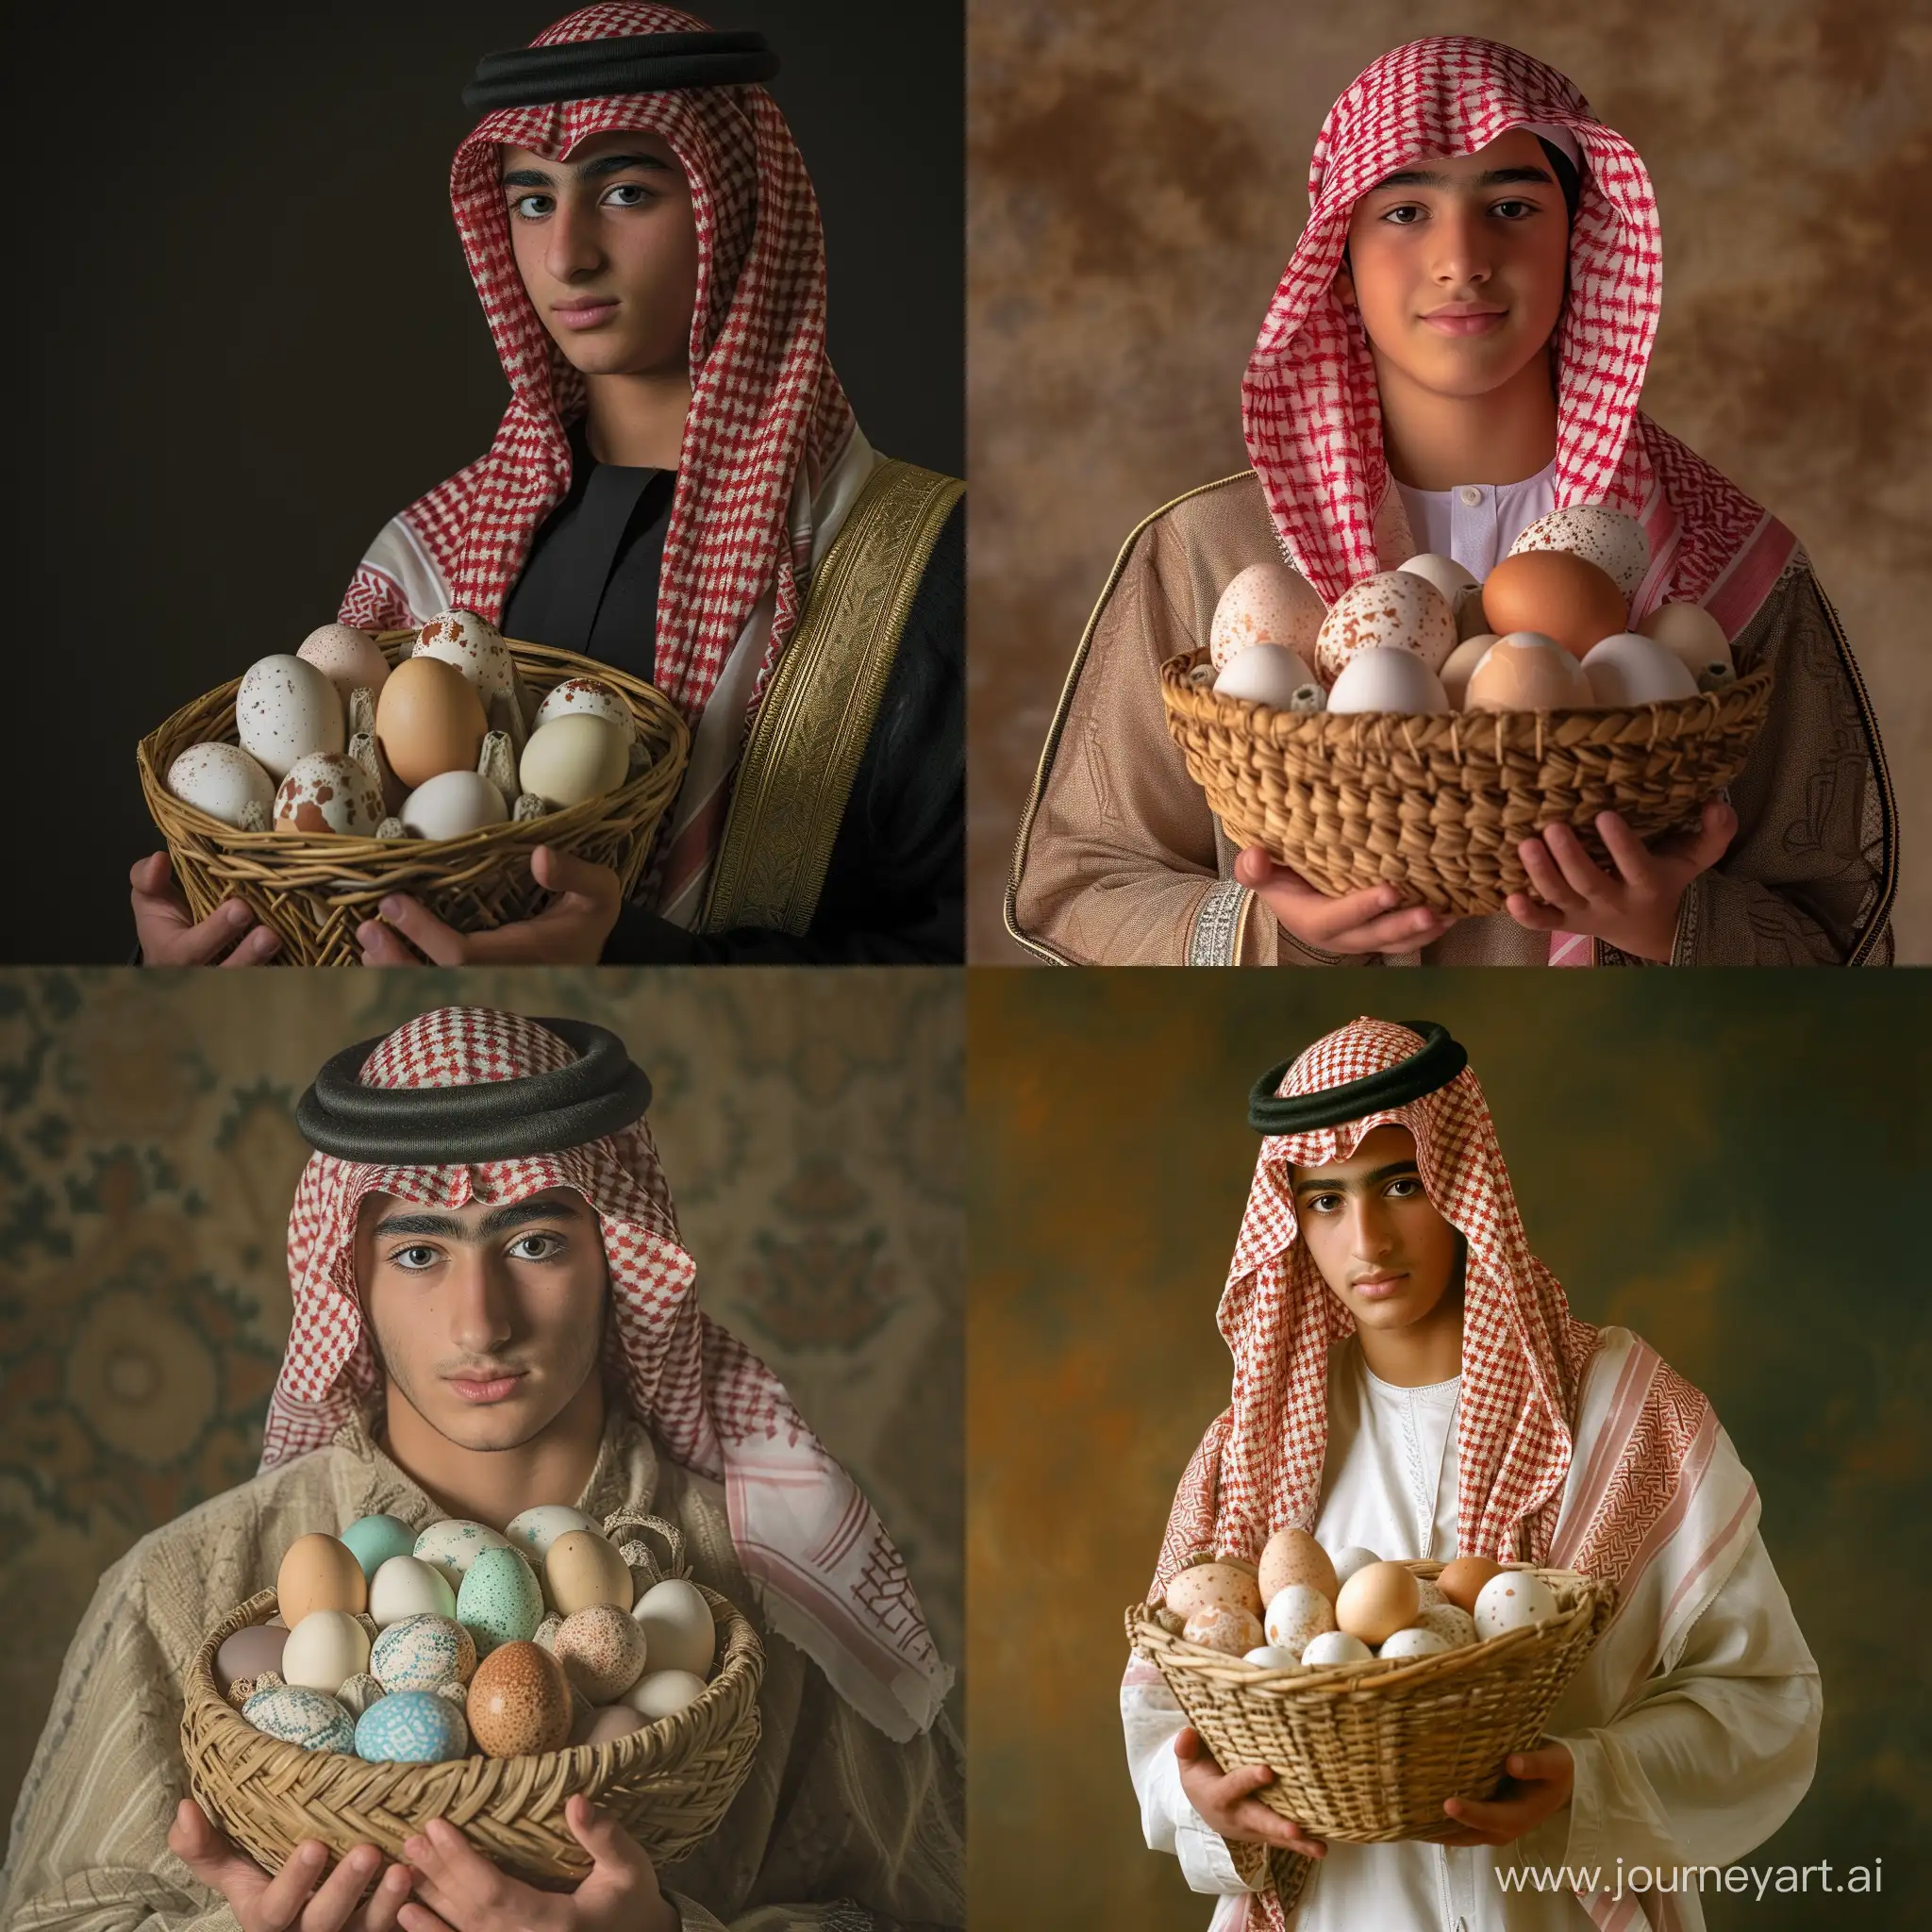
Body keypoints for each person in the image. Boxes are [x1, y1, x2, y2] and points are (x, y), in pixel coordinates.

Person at [0, 1008, 962, 1931]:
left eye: (534, 1241)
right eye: (419, 1250)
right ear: (351, 1278)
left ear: (615, 1259)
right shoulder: (176, 1591)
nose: (481, 1322)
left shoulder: (776, 1584)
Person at [1009, 36, 1894, 967]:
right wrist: (1273, 933)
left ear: (1580, 237)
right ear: (1337, 254)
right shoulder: (1205, 552)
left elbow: (1837, 924)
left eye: (1510, 206)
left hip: (1629, 1098)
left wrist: (1663, 926)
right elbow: (1074, 885)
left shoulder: (1725, 559)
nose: (1461, 259)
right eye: (1402, 210)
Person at [132, 5, 963, 969]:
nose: (567, 253)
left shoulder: (927, 564)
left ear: (733, 211)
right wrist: (206, 962)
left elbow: (985, 956)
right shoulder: (427, 555)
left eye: (625, 192)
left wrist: (628, 964)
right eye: (532, 200)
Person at [1124, 1017, 1819, 1930]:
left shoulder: (1620, 1409)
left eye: (1399, 1183)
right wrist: (1200, 1805)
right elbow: (1157, 1712)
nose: (1364, 1238)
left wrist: (1584, 1777)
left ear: (1458, 1183)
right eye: (1324, 1200)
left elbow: (1766, 1699)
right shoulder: (1250, 1450)